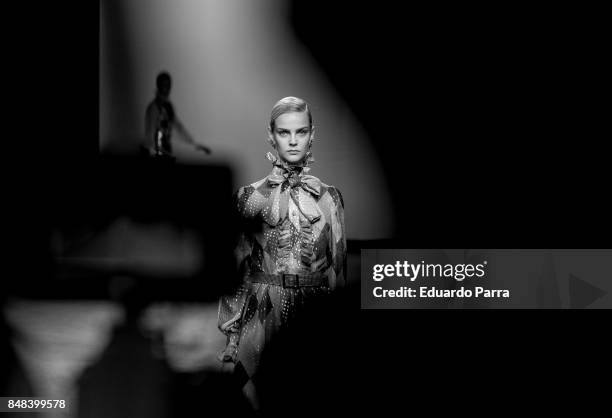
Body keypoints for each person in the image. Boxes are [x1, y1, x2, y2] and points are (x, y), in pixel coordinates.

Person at [217, 96, 347, 410]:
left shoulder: (329, 199)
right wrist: (231, 335)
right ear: (271, 135)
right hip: (262, 306)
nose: (292, 141)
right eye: (284, 132)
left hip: (312, 307)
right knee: (253, 397)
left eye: (300, 132)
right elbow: (237, 265)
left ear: (311, 135)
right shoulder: (250, 197)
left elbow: (338, 269)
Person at [144, 71, 211, 157]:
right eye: (164, 85)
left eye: (168, 85)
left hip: (166, 152)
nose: (167, 89)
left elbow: (179, 128)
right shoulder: (153, 108)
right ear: (158, 86)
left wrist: (194, 144)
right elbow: (150, 134)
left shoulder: (168, 107)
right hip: (157, 154)